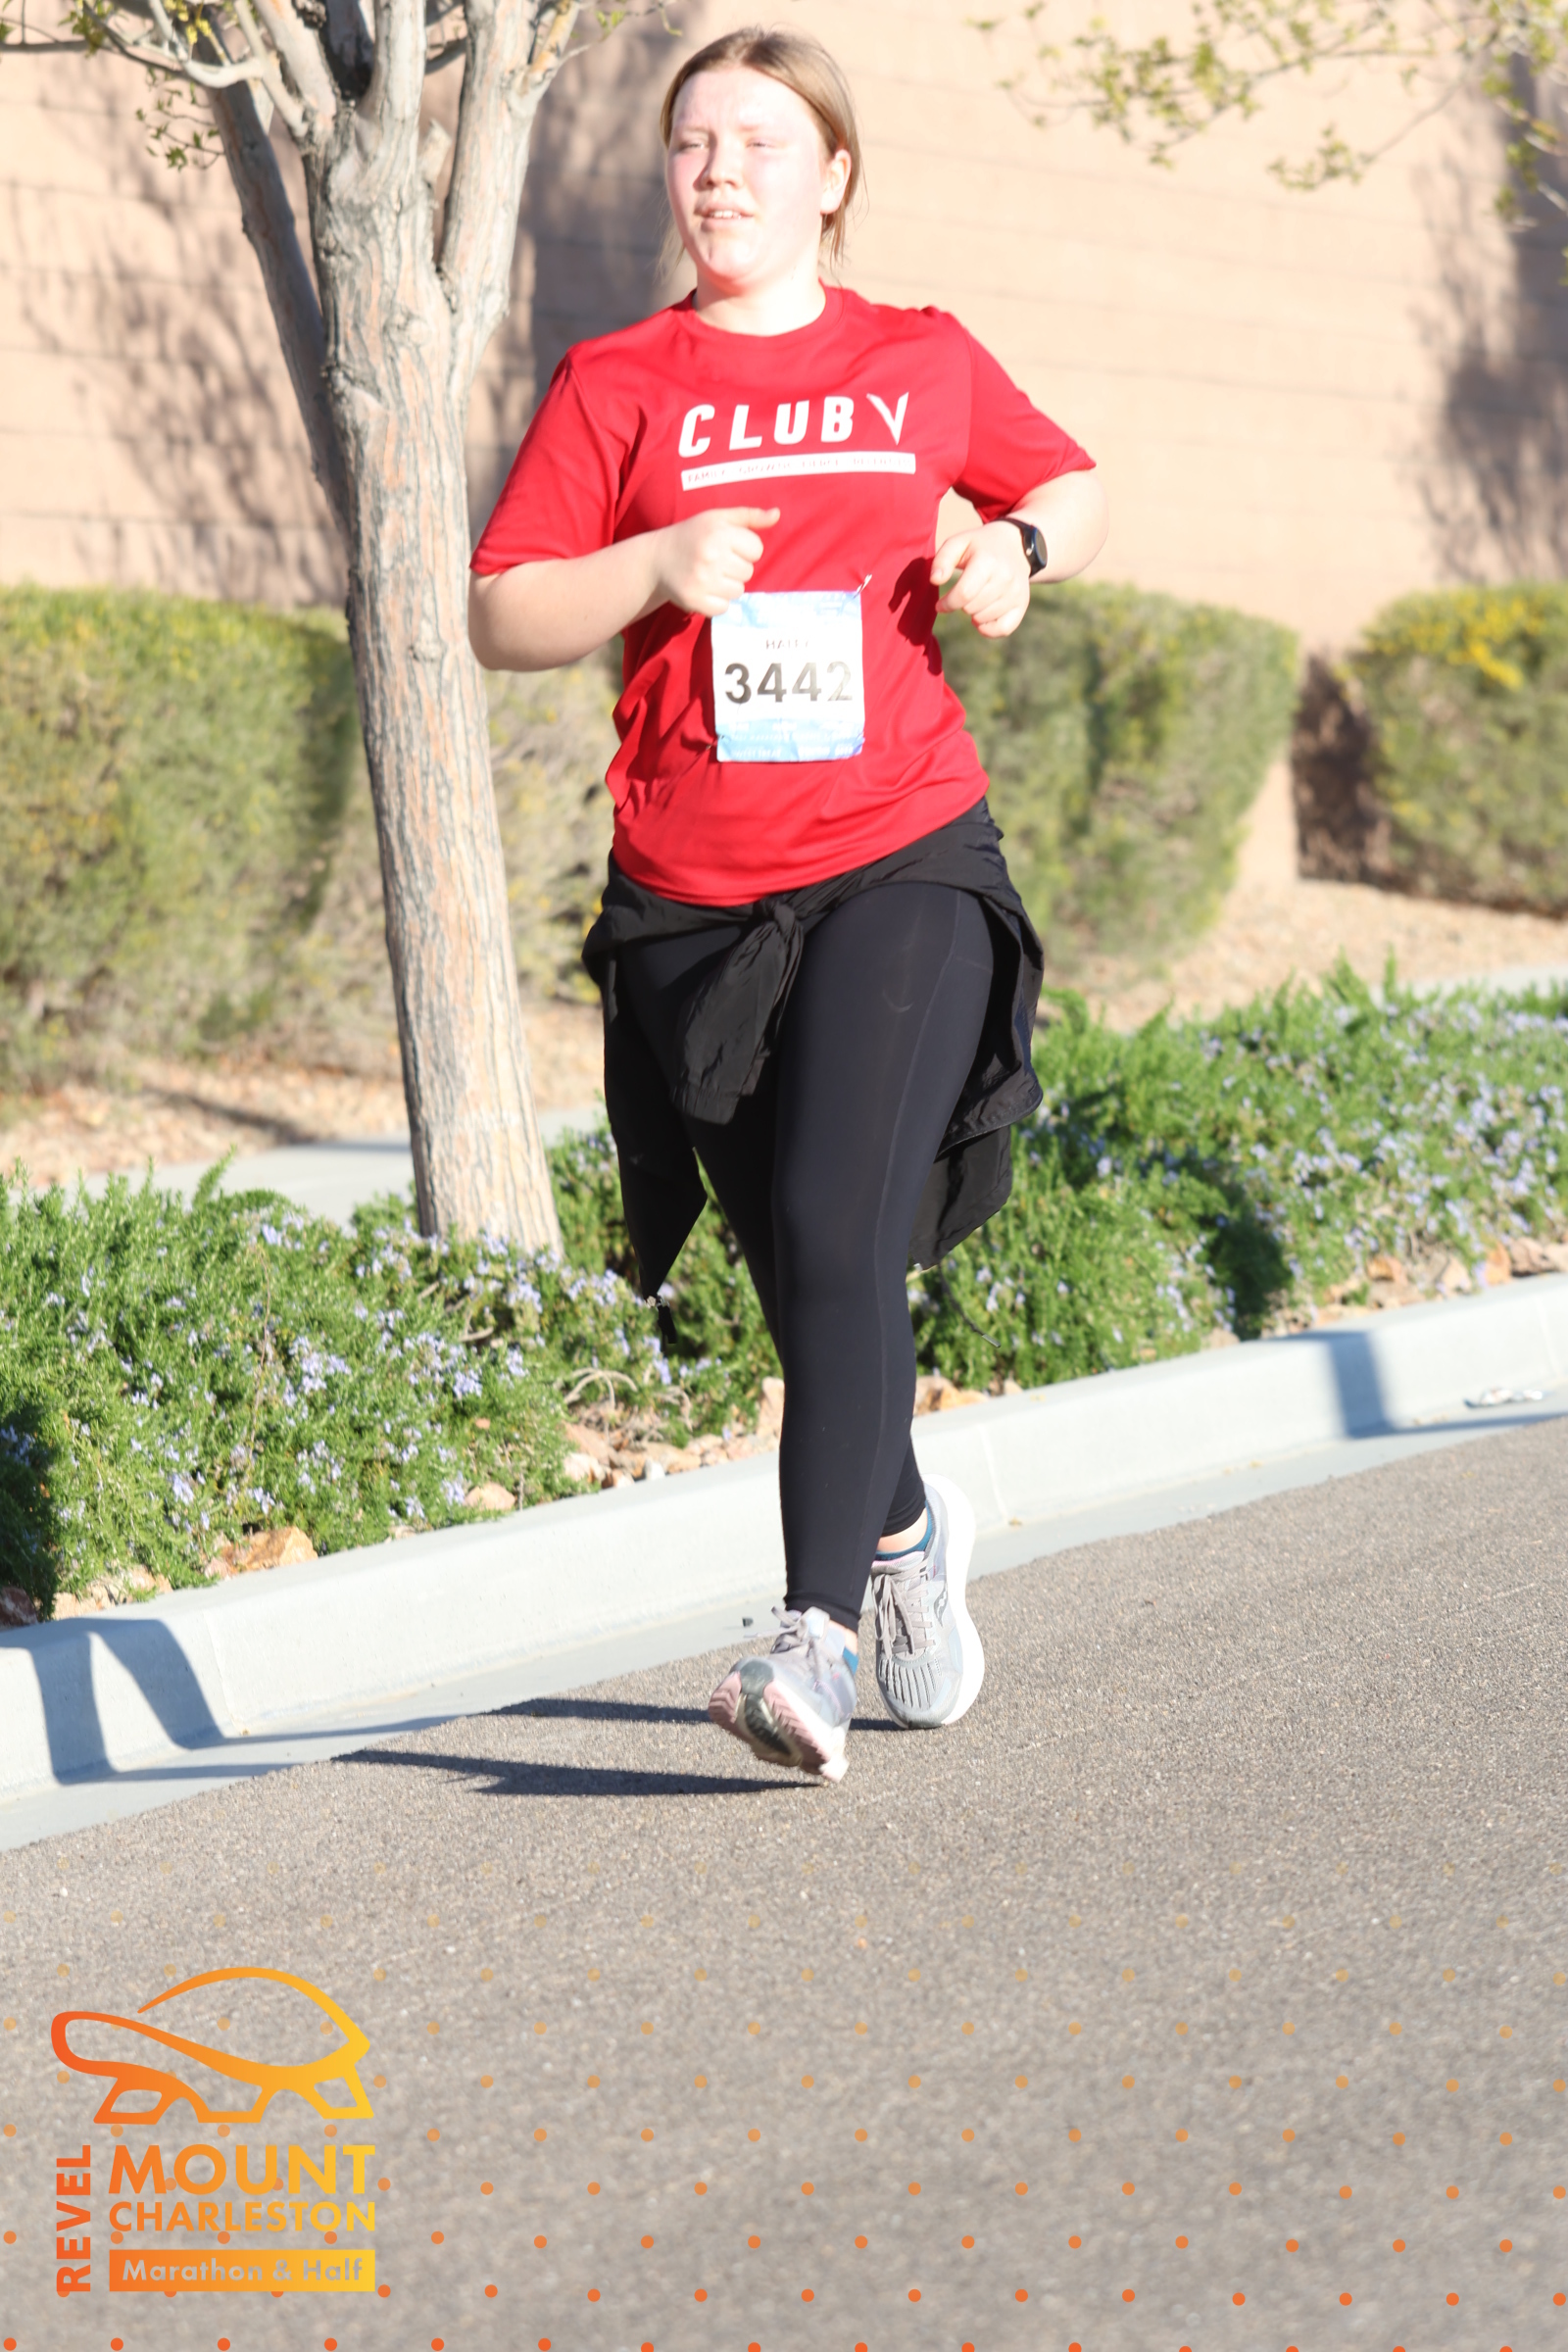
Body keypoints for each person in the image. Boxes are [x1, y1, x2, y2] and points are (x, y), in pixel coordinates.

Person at [469, 25, 1108, 1785]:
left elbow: (1071, 484)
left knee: (839, 1228)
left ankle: (810, 1640)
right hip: (691, 899)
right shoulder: (619, 381)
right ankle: (902, 1533)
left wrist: (1013, 552)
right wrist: (652, 564)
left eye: (758, 140)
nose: (719, 170)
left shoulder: (919, 357)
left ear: (832, 175)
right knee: (799, 1268)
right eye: (692, 142)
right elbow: (504, 609)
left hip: (900, 853)